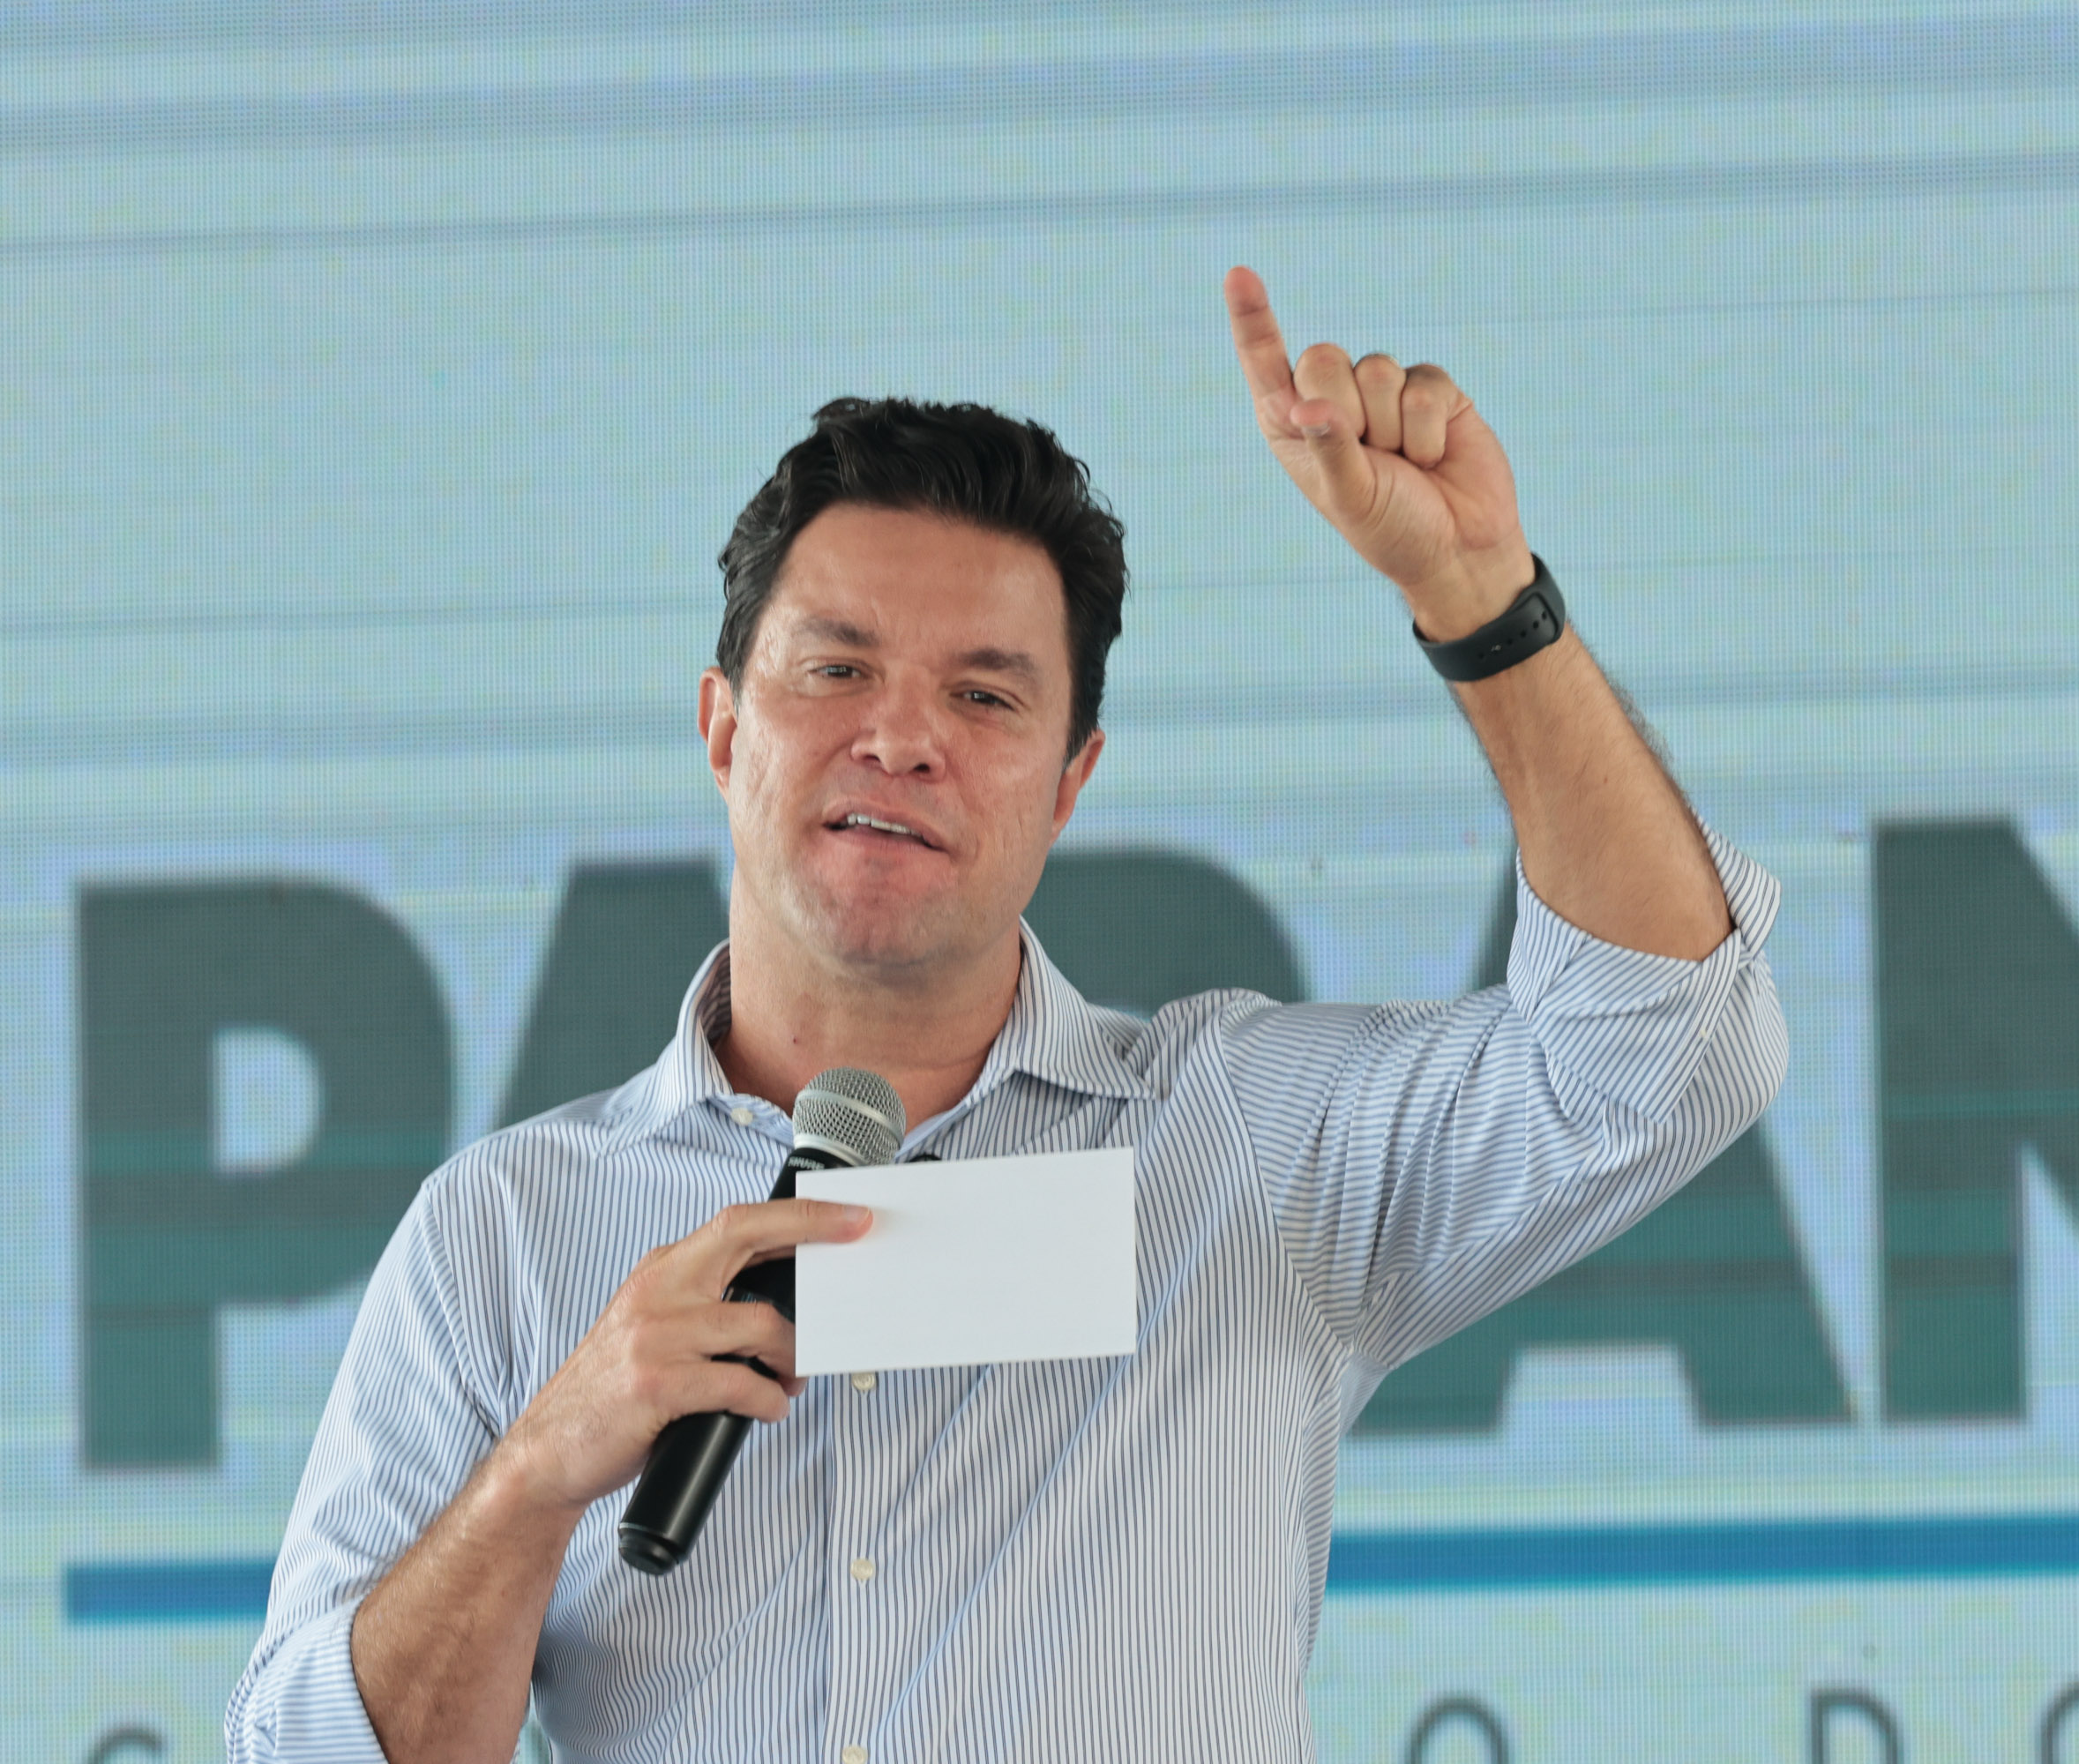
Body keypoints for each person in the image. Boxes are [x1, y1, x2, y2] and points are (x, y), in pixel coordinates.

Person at [227, 269, 1787, 1763]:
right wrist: (532, 1478)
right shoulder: (504, 1234)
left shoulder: (1246, 1146)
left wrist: (1480, 600)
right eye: (835, 669)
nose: (900, 738)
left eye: (984, 696)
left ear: (1070, 784)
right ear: (721, 727)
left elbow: (1666, 1045)